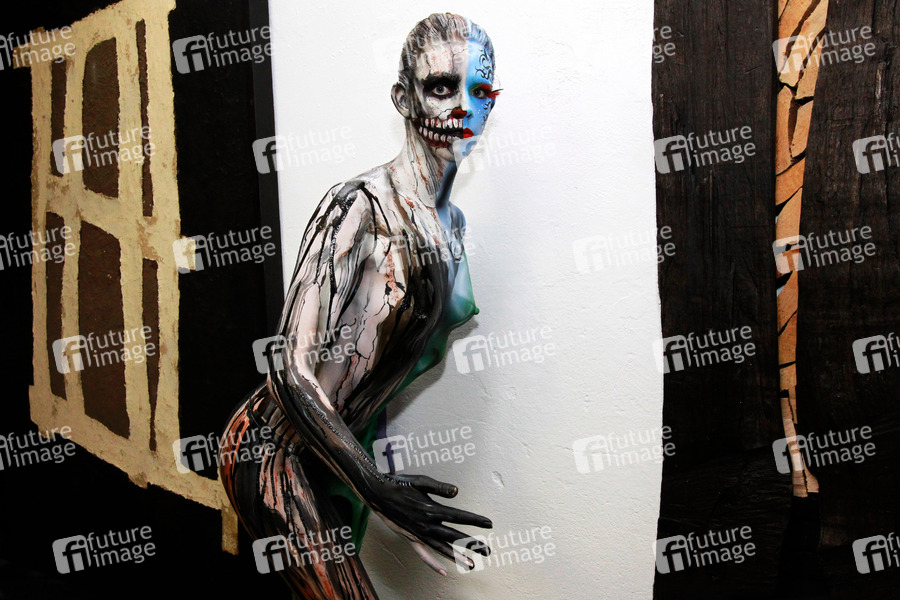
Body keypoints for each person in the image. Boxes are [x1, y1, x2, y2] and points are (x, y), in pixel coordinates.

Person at [219, 13, 500, 599]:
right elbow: (290, 367)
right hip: (274, 450)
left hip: (340, 456)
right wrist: (376, 487)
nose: (462, 108)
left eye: (479, 91)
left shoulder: (452, 225)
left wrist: (380, 488)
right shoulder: (359, 206)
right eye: (441, 87)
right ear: (403, 98)